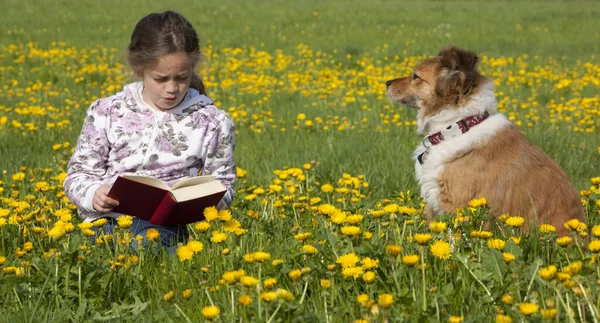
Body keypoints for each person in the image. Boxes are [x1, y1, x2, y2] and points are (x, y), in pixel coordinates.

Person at [64, 10, 236, 251]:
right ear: (139, 69)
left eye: (182, 77)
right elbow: (78, 174)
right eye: (161, 78)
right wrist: (94, 193)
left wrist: (211, 203)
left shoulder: (212, 121)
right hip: (103, 221)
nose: (172, 89)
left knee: (144, 248)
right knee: (91, 254)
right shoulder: (107, 111)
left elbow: (223, 183)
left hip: (165, 227)